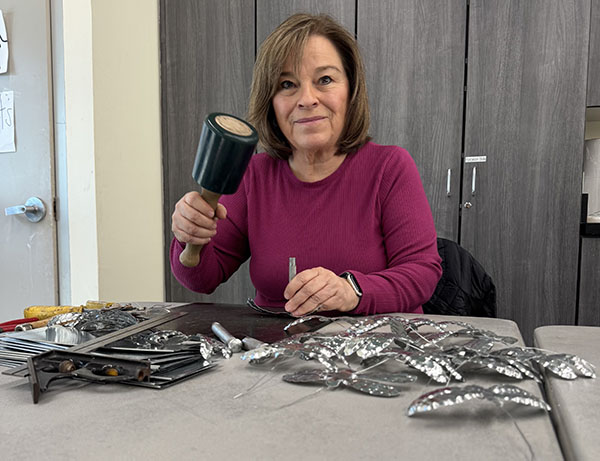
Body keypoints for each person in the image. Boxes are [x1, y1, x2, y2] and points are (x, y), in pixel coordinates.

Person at [170, 13, 442, 317]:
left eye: (324, 80)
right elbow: (201, 278)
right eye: (287, 84)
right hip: (276, 352)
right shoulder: (254, 175)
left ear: (350, 90)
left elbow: (422, 274)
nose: (307, 99)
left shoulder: (389, 167)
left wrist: (351, 290)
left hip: (376, 354)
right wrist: (188, 237)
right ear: (271, 101)